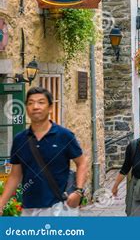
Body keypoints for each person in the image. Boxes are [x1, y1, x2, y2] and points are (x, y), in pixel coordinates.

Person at [0, 87, 87, 217]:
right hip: (29, 209)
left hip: (59, 207)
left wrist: (78, 191)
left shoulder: (64, 136)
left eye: (41, 102)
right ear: (26, 108)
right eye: (30, 103)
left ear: (50, 108)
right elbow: (15, 175)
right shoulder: (20, 139)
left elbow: (82, 162)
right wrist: (1, 203)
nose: (35, 106)